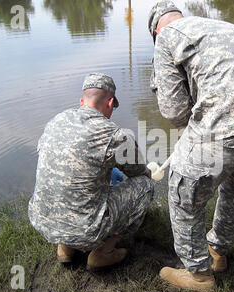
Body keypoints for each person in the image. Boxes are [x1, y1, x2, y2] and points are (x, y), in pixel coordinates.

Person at [148, 1, 234, 291]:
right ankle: (218, 253)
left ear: (156, 30)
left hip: (225, 122)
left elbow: (175, 112)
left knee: (183, 190)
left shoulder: (166, 38)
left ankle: (198, 274)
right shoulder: (233, 28)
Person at [28, 73, 153, 271]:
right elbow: (139, 172)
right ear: (110, 102)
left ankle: (66, 249)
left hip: (43, 220)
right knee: (145, 186)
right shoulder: (113, 134)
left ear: (81, 101)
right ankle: (102, 253)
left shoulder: (56, 121)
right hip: (86, 229)